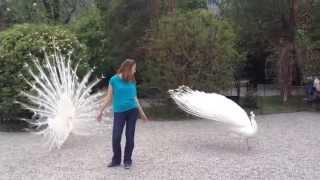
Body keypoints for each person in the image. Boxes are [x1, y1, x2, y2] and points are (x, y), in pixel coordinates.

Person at [97, 59, 149, 169]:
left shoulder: (132, 80)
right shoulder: (113, 80)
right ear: (128, 68)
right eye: (134, 68)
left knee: (130, 137)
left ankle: (127, 160)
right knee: (116, 137)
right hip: (119, 112)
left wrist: (142, 113)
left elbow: (135, 98)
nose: (135, 71)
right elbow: (109, 97)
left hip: (132, 111)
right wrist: (100, 111)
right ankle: (116, 160)